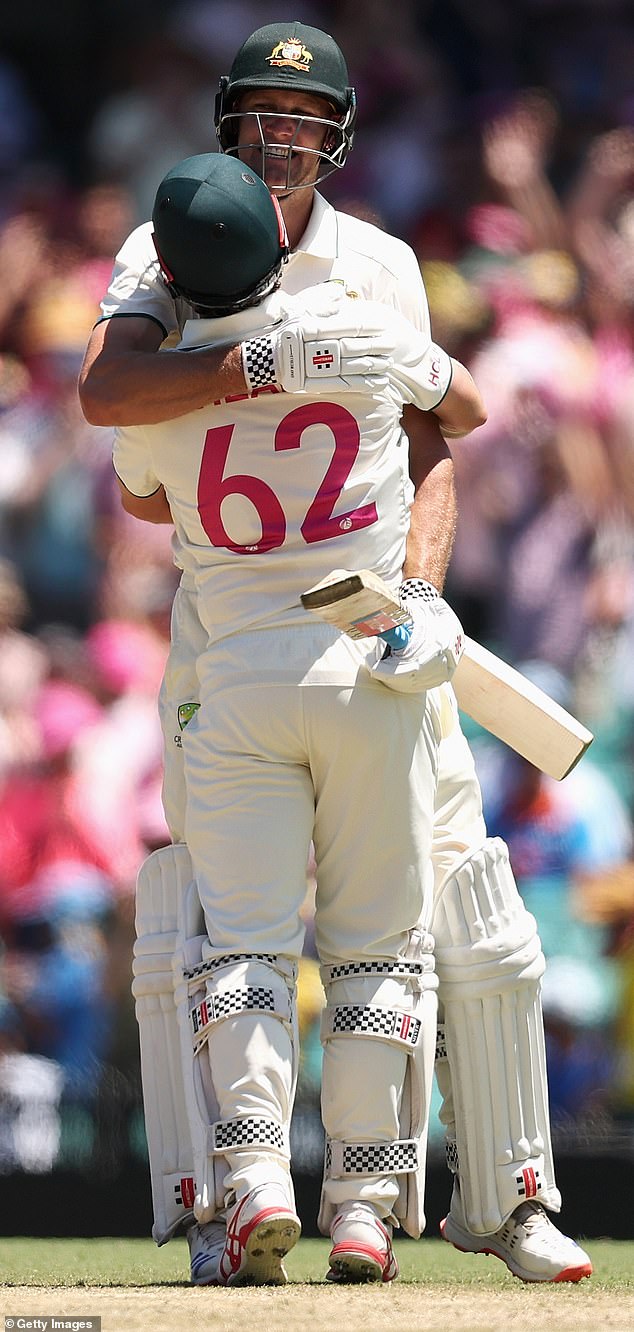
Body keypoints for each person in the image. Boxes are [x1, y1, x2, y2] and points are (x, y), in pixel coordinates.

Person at [80, 20, 592, 1288]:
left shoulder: (375, 265)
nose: (282, 139)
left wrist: (420, 588)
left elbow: (425, 452)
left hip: (365, 629)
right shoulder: (170, 251)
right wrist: (270, 368)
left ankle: (498, 1200)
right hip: (263, 645)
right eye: (262, 115)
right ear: (229, 125)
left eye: (303, 121)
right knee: (333, 933)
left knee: (442, 917)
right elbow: (448, 408)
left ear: (340, 133)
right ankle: (272, 1204)